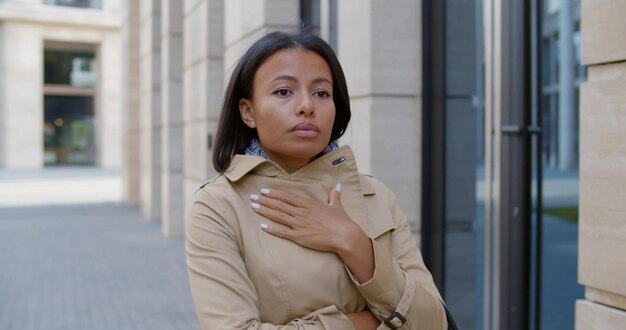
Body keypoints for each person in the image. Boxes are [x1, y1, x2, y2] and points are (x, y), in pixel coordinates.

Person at [185, 31, 448, 329]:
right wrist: (363, 324)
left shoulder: (375, 196)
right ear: (248, 111)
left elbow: (434, 322)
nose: (306, 106)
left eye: (322, 93)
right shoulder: (218, 207)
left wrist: (354, 243)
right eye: (284, 91)